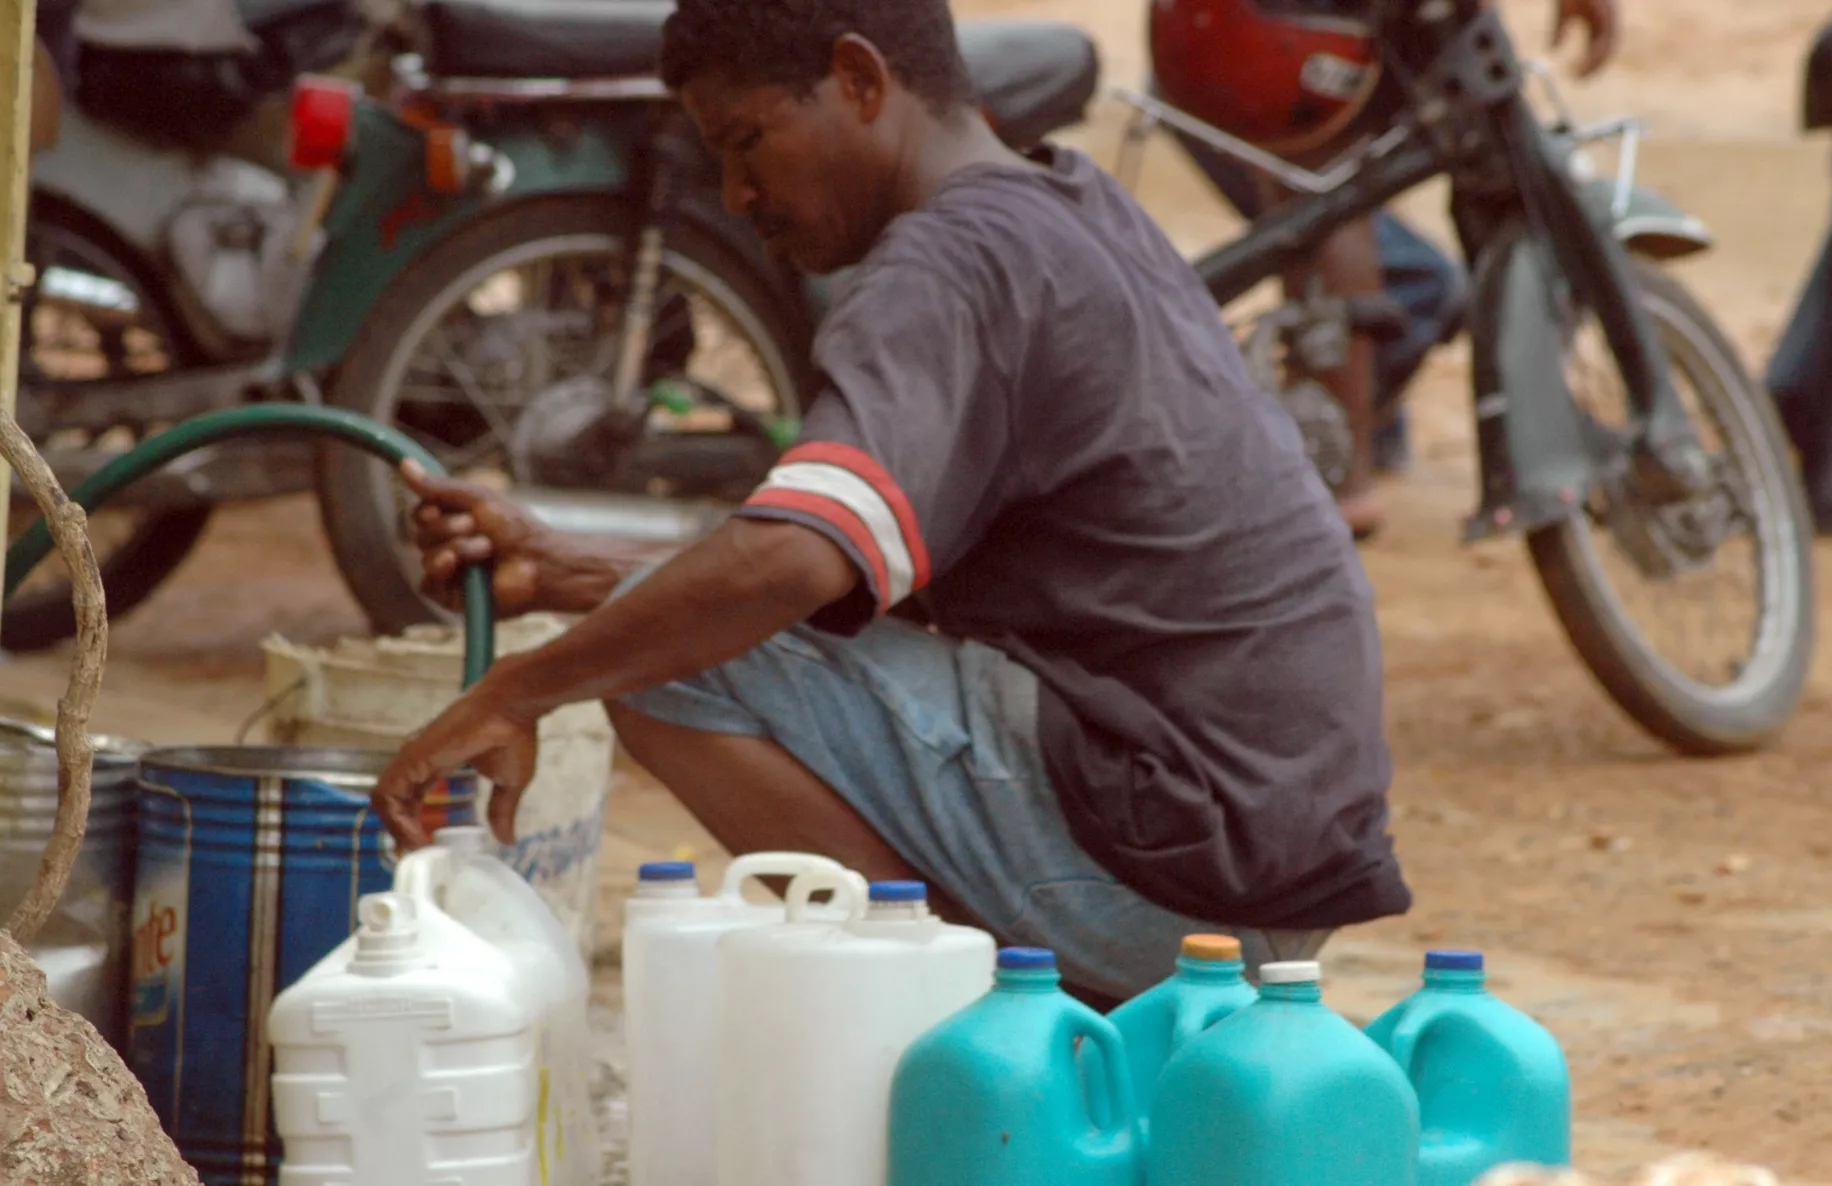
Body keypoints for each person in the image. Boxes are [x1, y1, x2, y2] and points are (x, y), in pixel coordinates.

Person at [369, 0, 1610, 1005]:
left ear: (859, 80)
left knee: (651, 669)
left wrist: (514, 688)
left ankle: (963, 1013)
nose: (737, 196)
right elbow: (850, 570)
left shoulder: (944, 265)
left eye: (746, 143)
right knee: (662, 626)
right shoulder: (1071, 204)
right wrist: (571, 566)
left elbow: (784, 570)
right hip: (1270, 860)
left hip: (1176, 877)